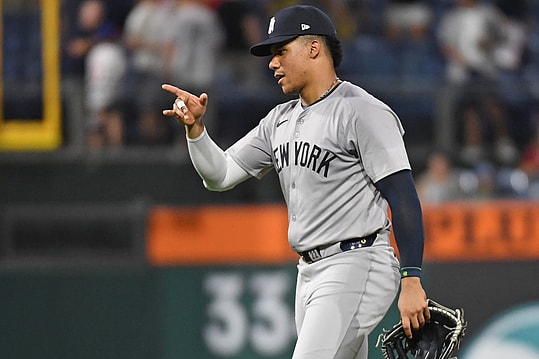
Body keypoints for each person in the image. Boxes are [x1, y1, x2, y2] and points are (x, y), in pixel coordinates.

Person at [162, 5, 429, 358]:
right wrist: (196, 132)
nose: (272, 63)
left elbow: (403, 195)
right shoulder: (279, 121)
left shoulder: (362, 110)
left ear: (314, 48)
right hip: (309, 272)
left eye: (281, 51)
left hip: (358, 261)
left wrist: (411, 278)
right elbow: (221, 175)